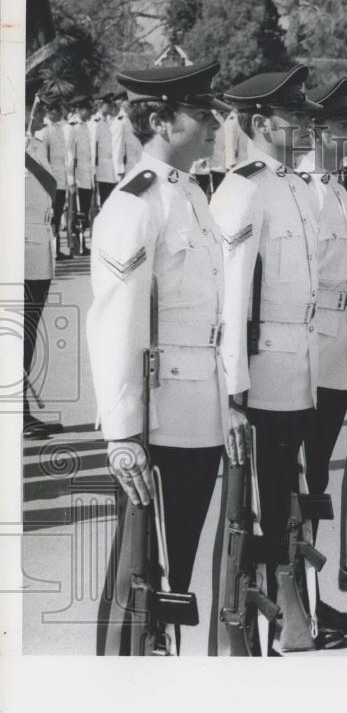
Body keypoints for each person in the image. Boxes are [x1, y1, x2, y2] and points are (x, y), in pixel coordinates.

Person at [87, 62, 247, 655]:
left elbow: (216, 318)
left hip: (196, 411)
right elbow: (116, 324)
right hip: (156, 420)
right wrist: (123, 432)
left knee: (173, 570)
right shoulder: (138, 203)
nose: (214, 124)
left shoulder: (191, 194)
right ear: (159, 119)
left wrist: (229, 399)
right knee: (138, 578)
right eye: (201, 113)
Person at [212, 65, 343, 647]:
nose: (311, 124)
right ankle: (259, 619)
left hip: (300, 368)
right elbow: (233, 297)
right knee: (258, 506)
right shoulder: (244, 188)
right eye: (297, 116)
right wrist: (234, 392)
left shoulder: (292, 184)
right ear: (262, 123)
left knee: (286, 497)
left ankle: (295, 611)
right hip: (264, 374)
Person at [295, 77, 347, 613]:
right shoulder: (302, 190)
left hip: (337, 346)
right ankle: (298, 595)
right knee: (302, 478)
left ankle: (311, 594)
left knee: (318, 473)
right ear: (320, 130)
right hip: (307, 352)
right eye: (345, 125)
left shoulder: (340, 190)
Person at [23, 132, 64, 439]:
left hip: (38, 252)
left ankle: (21, 411)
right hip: (17, 252)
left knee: (27, 335)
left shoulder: (33, 144)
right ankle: (17, 414)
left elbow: (50, 189)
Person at [34, 98, 71, 260]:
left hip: (61, 179)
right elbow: (45, 159)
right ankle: (49, 251)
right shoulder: (46, 130)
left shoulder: (59, 129)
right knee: (49, 216)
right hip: (51, 181)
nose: (59, 112)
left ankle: (56, 250)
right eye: (56, 109)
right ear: (51, 111)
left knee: (57, 215)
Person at [66, 95, 95, 255]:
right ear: (80, 109)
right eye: (87, 109)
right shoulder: (73, 126)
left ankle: (83, 244)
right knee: (74, 212)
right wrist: (70, 178)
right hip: (77, 176)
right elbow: (69, 154)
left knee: (84, 210)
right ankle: (74, 245)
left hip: (87, 175)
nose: (90, 112)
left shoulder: (86, 126)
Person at [92, 94, 118, 206]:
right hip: (101, 167)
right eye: (108, 105)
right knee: (102, 199)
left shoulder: (109, 121)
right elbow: (93, 147)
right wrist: (93, 169)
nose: (110, 107)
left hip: (110, 167)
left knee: (110, 198)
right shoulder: (95, 122)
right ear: (101, 105)